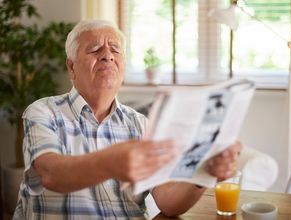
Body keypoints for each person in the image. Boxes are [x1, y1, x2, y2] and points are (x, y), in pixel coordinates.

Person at [13, 19, 242, 219]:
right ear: (71, 67)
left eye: (115, 49)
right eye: (94, 49)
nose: (107, 55)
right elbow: (50, 174)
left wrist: (202, 174)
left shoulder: (140, 123)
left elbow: (168, 202)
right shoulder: (43, 111)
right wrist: (112, 162)